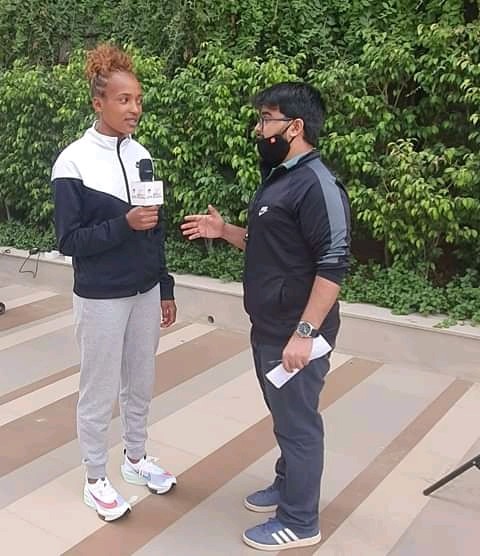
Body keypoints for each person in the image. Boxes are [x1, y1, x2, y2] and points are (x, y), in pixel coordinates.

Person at [181, 82, 351, 550]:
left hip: (296, 334)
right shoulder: (281, 178)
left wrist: (304, 333)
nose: (259, 129)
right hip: (269, 327)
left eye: (265, 120)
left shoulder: (317, 185)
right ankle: (286, 484)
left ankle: (300, 521)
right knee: (284, 416)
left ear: (294, 127)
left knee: (299, 426)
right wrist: (223, 230)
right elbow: (269, 246)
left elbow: (333, 266)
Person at [52, 44, 177, 522]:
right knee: (99, 388)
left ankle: (136, 458)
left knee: (141, 381)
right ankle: (94, 478)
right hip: (101, 296)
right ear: (98, 103)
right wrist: (124, 224)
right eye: (124, 100)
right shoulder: (73, 162)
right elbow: (69, 241)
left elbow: (155, 227)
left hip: (144, 291)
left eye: (138, 99)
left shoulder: (142, 155)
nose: (134, 109)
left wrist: (164, 285)